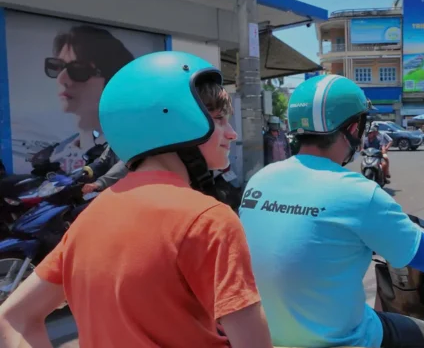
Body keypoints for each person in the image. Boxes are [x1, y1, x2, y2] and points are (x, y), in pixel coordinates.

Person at [0, 52, 273, 348]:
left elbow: (13, 318)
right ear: (175, 121)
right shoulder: (208, 219)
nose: (232, 134)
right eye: (219, 120)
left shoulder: (88, 218)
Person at [239, 74, 424, 348]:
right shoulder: (359, 193)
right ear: (354, 129)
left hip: (266, 335)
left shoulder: (260, 179)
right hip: (343, 340)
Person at [42, 25, 135, 173]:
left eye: (78, 69)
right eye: (57, 67)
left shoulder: (132, 152)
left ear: (113, 80)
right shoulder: (56, 155)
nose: (61, 79)